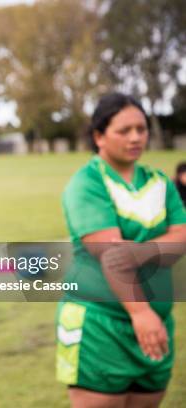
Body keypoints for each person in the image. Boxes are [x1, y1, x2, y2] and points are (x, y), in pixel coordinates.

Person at [56, 92, 186, 407]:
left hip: (156, 324)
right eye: (124, 130)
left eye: (141, 129)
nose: (136, 137)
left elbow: (182, 237)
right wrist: (140, 312)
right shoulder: (86, 183)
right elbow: (113, 257)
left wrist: (138, 252)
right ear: (99, 136)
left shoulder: (159, 183)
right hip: (100, 326)